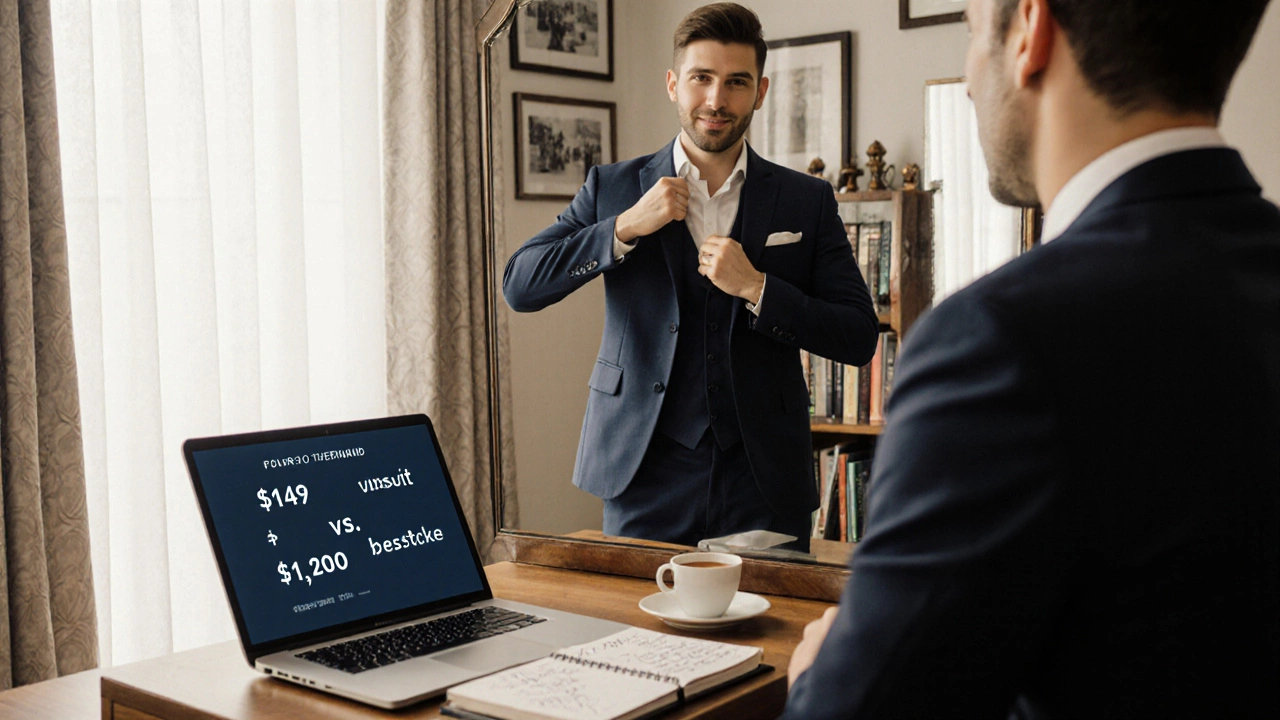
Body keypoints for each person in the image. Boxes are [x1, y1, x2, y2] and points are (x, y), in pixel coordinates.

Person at [781, 0, 1280, 716]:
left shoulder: (997, 340)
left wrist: (814, 676)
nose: (969, 72)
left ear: (1030, 31)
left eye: (969, 31)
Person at [503, 3, 878, 548]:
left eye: (736, 83)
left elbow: (858, 334)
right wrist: (624, 229)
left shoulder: (807, 200)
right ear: (674, 84)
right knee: (636, 632)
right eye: (701, 78)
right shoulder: (612, 188)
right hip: (643, 472)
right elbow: (520, 284)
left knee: (771, 628)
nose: (716, 101)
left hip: (763, 479)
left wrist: (758, 288)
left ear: (761, 91)